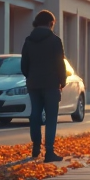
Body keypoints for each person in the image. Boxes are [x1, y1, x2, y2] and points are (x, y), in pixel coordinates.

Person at [20, 10, 67, 162]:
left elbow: (24, 65)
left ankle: (36, 146)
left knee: (35, 114)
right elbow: (60, 63)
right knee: (51, 117)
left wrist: (30, 76)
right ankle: (49, 152)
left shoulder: (28, 40)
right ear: (50, 23)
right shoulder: (55, 40)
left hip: (34, 83)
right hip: (51, 84)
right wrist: (62, 81)